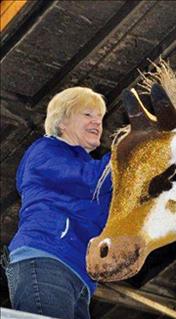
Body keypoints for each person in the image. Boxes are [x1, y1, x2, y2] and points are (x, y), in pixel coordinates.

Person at [2, 87, 112, 319]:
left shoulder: (91, 166)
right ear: (62, 122)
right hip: (45, 257)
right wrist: (131, 150)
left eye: (100, 117)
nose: (97, 122)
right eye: (87, 114)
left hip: (79, 276)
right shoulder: (45, 151)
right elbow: (92, 181)